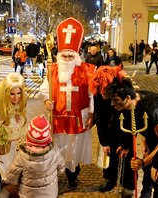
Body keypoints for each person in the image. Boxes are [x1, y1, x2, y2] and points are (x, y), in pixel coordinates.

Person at [40, 17, 96, 188]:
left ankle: (73, 174)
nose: (67, 57)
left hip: (79, 117)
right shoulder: (52, 69)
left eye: (70, 54)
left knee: (74, 149)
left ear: (77, 54)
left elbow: (92, 95)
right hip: (58, 116)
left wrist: (92, 115)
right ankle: (56, 173)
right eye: (64, 54)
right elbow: (44, 89)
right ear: (59, 54)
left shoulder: (87, 70)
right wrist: (46, 100)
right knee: (58, 147)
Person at [104, 77, 158, 198]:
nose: (112, 104)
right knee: (148, 177)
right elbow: (134, 125)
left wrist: (143, 162)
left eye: (115, 100)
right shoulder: (128, 105)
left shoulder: (153, 107)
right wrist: (126, 146)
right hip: (154, 141)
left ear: (128, 98)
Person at [89, 66, 134, 196]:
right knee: (108, 152)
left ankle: (128, 183)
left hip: (125, 120)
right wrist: (104, 142)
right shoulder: (98, 90)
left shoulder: (124, 84)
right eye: (100, 90)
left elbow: (130, 114)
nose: (103, 93)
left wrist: (126, 143)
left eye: (105, 89)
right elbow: (100, 117)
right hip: (109, 124)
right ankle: (109, 178)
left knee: (127, 152)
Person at [5, 115, 65, 198]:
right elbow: (61, 169)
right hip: (50, 194)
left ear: (28, 137)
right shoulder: (55, 152)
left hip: (28, 195)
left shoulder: (21, 155)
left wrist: (16, 182)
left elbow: (11, 177)